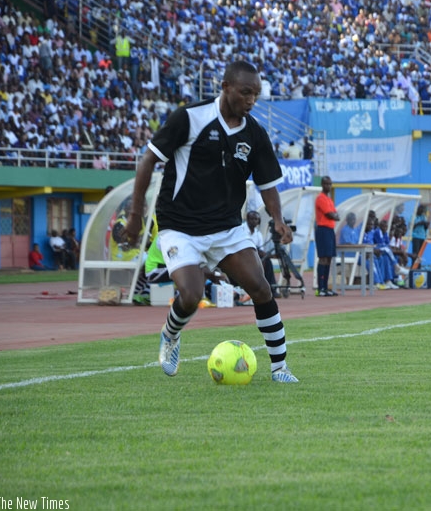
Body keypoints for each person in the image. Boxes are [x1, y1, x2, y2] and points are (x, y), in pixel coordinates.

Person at [120, 60, 299, 383]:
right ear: (226, 87)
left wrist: (278, 219)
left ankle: (280, 369)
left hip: (226, 227)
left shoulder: (254, 133)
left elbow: (267, 182)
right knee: (190, 294)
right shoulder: (190, 118)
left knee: (260, 286)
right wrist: (135, 216)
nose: (251, 100)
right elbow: (148, 160)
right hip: (180, 225)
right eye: (245, 92)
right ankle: (171, 333)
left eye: (256, 94)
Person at [244, 210, 280, 299]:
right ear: (247, 220)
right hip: (243, 255)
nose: (254, 221)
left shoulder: (258, 234)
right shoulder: (242, 230)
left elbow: (260, 249)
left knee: (267, 262)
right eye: (251, 219)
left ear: (259, 221)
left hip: (254, 256)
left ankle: (272, 289)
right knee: (264, 258)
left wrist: (269, 256)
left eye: (256, 219)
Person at [315, 175, 339, 296]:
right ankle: (320, 288)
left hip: (330, 230)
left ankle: (325, 286)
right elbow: (331, 215)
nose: (328, 186)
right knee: (323, 258)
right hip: (323, 229)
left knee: (329, 258)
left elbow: (336, 214)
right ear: (322, 185)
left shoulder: (329, 199)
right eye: (326, 184)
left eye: (330, 184)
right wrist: (335, 216)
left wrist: (335, 216)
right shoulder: (320, 198)